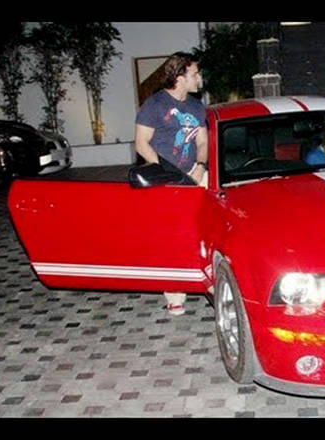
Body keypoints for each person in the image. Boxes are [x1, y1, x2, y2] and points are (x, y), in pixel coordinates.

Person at [135, 51, 208, 316]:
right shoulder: (154, 105)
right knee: (170, 237)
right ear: (179, 77)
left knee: (205, 226)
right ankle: (175, 292)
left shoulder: (196, 106)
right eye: (194, 73)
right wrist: (163, 170)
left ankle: (209, 278)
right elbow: (141, 143)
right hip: (164, 178)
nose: (199, 78)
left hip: (192, 173)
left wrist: (200, 166)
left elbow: (202, 141)